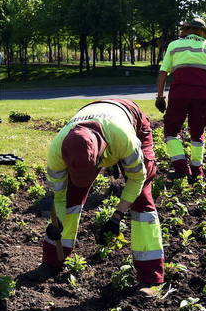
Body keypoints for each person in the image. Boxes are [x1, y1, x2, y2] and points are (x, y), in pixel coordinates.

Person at [43, 99, 164, 296]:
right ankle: (52, 261)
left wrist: (117, 217)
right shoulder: (57, 150)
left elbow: (137, 178)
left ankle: (151, 278)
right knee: (71, 196)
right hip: (96, 115)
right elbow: (59, 196)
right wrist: (58, 224)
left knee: (142, 200)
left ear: (100, 159)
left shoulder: (123, 139)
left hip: (130, 117)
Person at [155, 18, 206, 180]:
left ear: (186, 29)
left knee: (171, 131)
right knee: (197, 132)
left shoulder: (174, 46)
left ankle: (181, 167)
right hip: (202, 94)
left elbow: (163, 72)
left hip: (179, 93)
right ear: (202, 32)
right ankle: (196, 171)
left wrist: (160, 96)